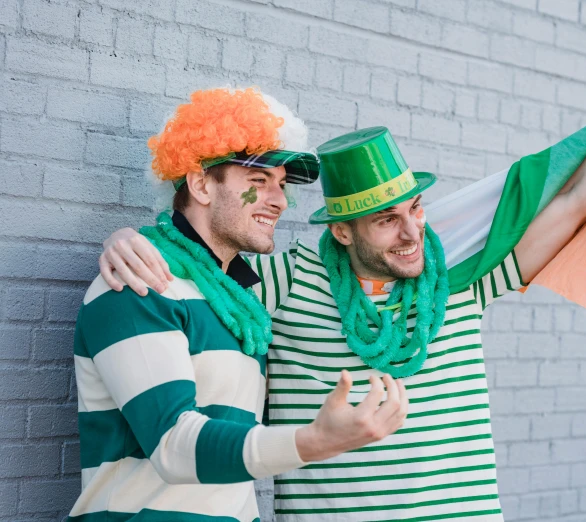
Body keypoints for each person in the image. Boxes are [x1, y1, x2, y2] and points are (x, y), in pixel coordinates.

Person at [99, 10, 586, 520]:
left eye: (415, 209)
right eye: (387, 220)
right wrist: (133, 240)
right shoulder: (279, 285)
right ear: (342, 229)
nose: (414, 233)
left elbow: (580, 194)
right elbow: (201, 270)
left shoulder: (460, 279)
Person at [68, 87, 408, 521]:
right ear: (200, 183)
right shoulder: (138, 283)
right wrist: (312, 441)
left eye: (282, 185)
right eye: (258, 181)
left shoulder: (243, 302)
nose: (280, 201)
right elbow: (174, 447)